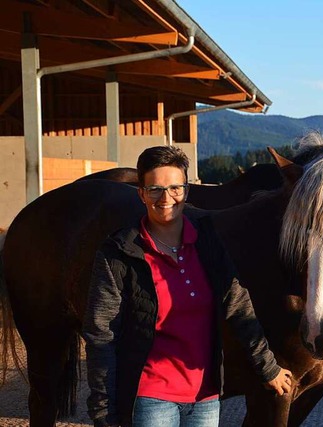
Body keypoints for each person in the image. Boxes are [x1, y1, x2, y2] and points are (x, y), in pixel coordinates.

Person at [82, 146, 292, 427]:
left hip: (205, 398)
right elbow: (101, 335)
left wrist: (268, 369)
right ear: (141, 194)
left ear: (186, 191)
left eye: (175, 188)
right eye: (155, 188)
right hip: (150, 399)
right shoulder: (119, 253)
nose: (166, 198)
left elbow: (239, 307)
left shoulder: (207, 242)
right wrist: (103, 412)